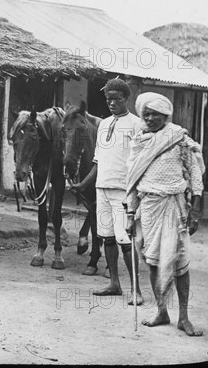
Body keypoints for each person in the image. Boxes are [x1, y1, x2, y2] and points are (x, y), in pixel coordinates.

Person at [125, 92, 204, 336]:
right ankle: (161, 310)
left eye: (155, 114)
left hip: (175, 205)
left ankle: (184, 317)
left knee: (180, 262)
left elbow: (195, 174)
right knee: (152, 260)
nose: (149, 118)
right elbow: (132, 181)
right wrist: (130, 213)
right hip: (148, 207)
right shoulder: (139, 141)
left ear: (166, 115)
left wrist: (196, 209)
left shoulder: (179, 138)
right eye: (146, 114)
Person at [72, 78, 142, 304]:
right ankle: (114, 283)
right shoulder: (103, 125)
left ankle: (136, 290)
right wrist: (83, 184)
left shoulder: (136, 124)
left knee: (125, 241)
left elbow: (142, 162)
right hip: (102, 188)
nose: (111, 103)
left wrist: (137, 192)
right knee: (108, 238)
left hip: (124, 190)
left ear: (126, 99)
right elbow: (97, 161)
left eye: (116, 99)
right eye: (108, 99)